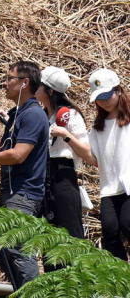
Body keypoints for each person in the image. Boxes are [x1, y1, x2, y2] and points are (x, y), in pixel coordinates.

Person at [0, 60, 49, 290]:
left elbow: (18, 155)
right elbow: (5, 149)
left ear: (25, 83)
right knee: (3, 248)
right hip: (11, 192)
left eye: (10, 79)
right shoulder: (18, 113)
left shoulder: (33, 115)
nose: (5, 83)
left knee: (17, 249)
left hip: (24, 194)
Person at [34, 66, 90, 252]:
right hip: (44, 175)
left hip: (63, 175)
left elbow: (87, 153)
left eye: (39, 85)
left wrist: (66, 135)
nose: (36, 88)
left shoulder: (70, 114)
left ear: (49, 91)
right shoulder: (43, 115)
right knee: (48, 235)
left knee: (69, 230)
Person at [85, 69, 130, 260]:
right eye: (98, 98)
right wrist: (69, 138)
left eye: (106, 95)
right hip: (109, 188)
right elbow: (91, 157)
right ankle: (121, 278)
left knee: (128, 225)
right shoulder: (98, 128)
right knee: (110, 231)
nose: (103, 101)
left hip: (127, 185)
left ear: (118, 91)